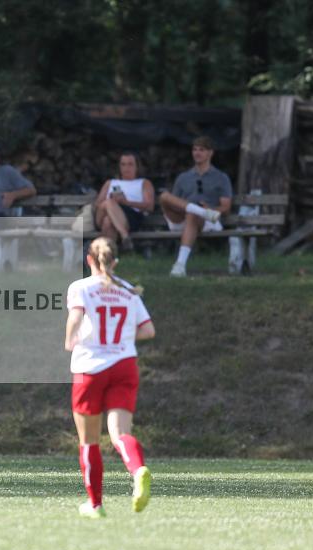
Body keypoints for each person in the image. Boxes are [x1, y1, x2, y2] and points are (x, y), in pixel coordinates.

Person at [65, 237, 155, 519]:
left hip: (90, 367)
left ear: (89, 260)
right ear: (115, 261)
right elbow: (148, 330)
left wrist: (70, 340)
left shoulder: (80, 287)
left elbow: (76, 318)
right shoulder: (128, 289)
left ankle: (95, 505)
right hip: (124, 364)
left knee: (89, 441)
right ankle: (138, 469)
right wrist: (124, 338)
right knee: (120, 434)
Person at [158, 136, 233, 277]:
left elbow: (226, 207)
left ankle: (180, 265)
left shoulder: (221, 177)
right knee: (164, 196)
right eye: (194, 149)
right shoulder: (183, 177)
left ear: (210, 153)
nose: (197, 153)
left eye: (202, 150)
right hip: (182, 217)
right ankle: (195, 209)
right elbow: (175, 203)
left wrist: (209, 210)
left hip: (209, 220)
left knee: (193, 215)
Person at [93, 151, 155, 248]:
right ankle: (124, 235)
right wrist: (112, 202)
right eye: (123, 164)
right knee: (108, 203)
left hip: (129, 216)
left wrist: (126, 202)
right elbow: (98, 204)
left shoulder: (144, 183)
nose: (126, 168)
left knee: (108, 221)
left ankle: (108, 257)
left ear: (137, 167)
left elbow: (149, 206)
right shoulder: (110, 183)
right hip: (103, 213)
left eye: (130, 164)